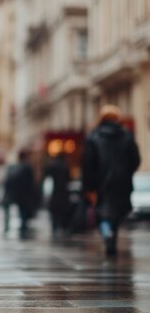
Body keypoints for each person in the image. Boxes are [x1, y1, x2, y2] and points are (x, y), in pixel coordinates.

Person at [82, 105, 140, 257]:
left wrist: (88, 186)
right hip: (122, 182)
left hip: (100, 182)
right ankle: (111, 238)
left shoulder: (93, 136)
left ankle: (107, 233)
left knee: (102, 212)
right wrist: (126, 172)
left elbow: (88, 163)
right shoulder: (127, 135)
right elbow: (136, 160)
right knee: (117, 212)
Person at [3, 150, 35, 239]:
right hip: (22, 194)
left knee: (9, 211)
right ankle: (23, 228)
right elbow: (31, 184)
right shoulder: (27, 168)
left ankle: (7, 226)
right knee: (23, 211)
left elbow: (7, 181)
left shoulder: (12, 167)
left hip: (11, 193)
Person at [43, 153, 71, 237]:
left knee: (54, 211)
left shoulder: (52, 166)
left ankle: (54, 227)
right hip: (63, 192)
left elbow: (46, 178)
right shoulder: (65, 166)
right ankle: (60, 226)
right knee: (61, 211)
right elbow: (68, 179)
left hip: (54, 193)